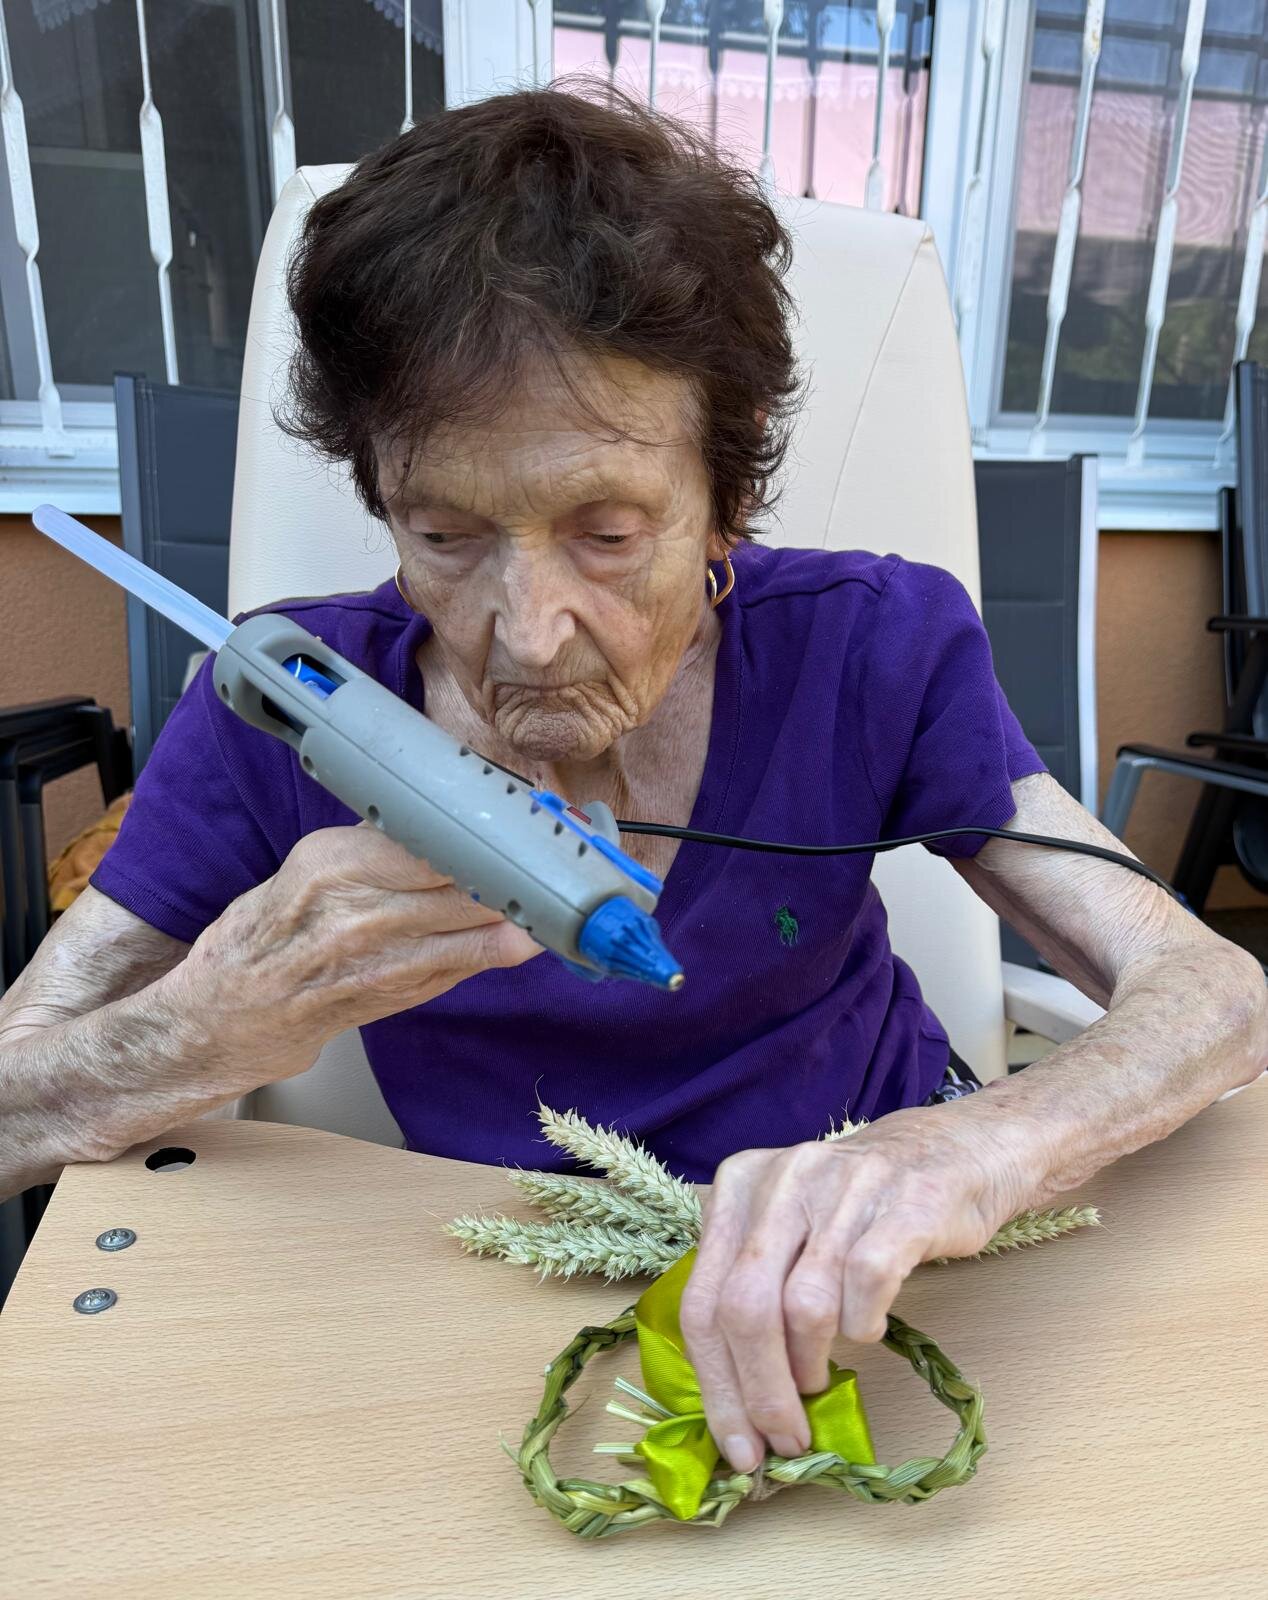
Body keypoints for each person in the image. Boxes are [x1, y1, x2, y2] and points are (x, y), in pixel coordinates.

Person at [1, 89, 1262, 1476]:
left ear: (726, 498)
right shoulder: (283, 711)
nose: (529, 634)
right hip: (503, 1318)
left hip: (898, 1281)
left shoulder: (868, 646)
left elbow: (1213, 989)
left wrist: (968, 1150)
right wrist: (194, 1032)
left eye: (606, 535)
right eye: (444, 534)